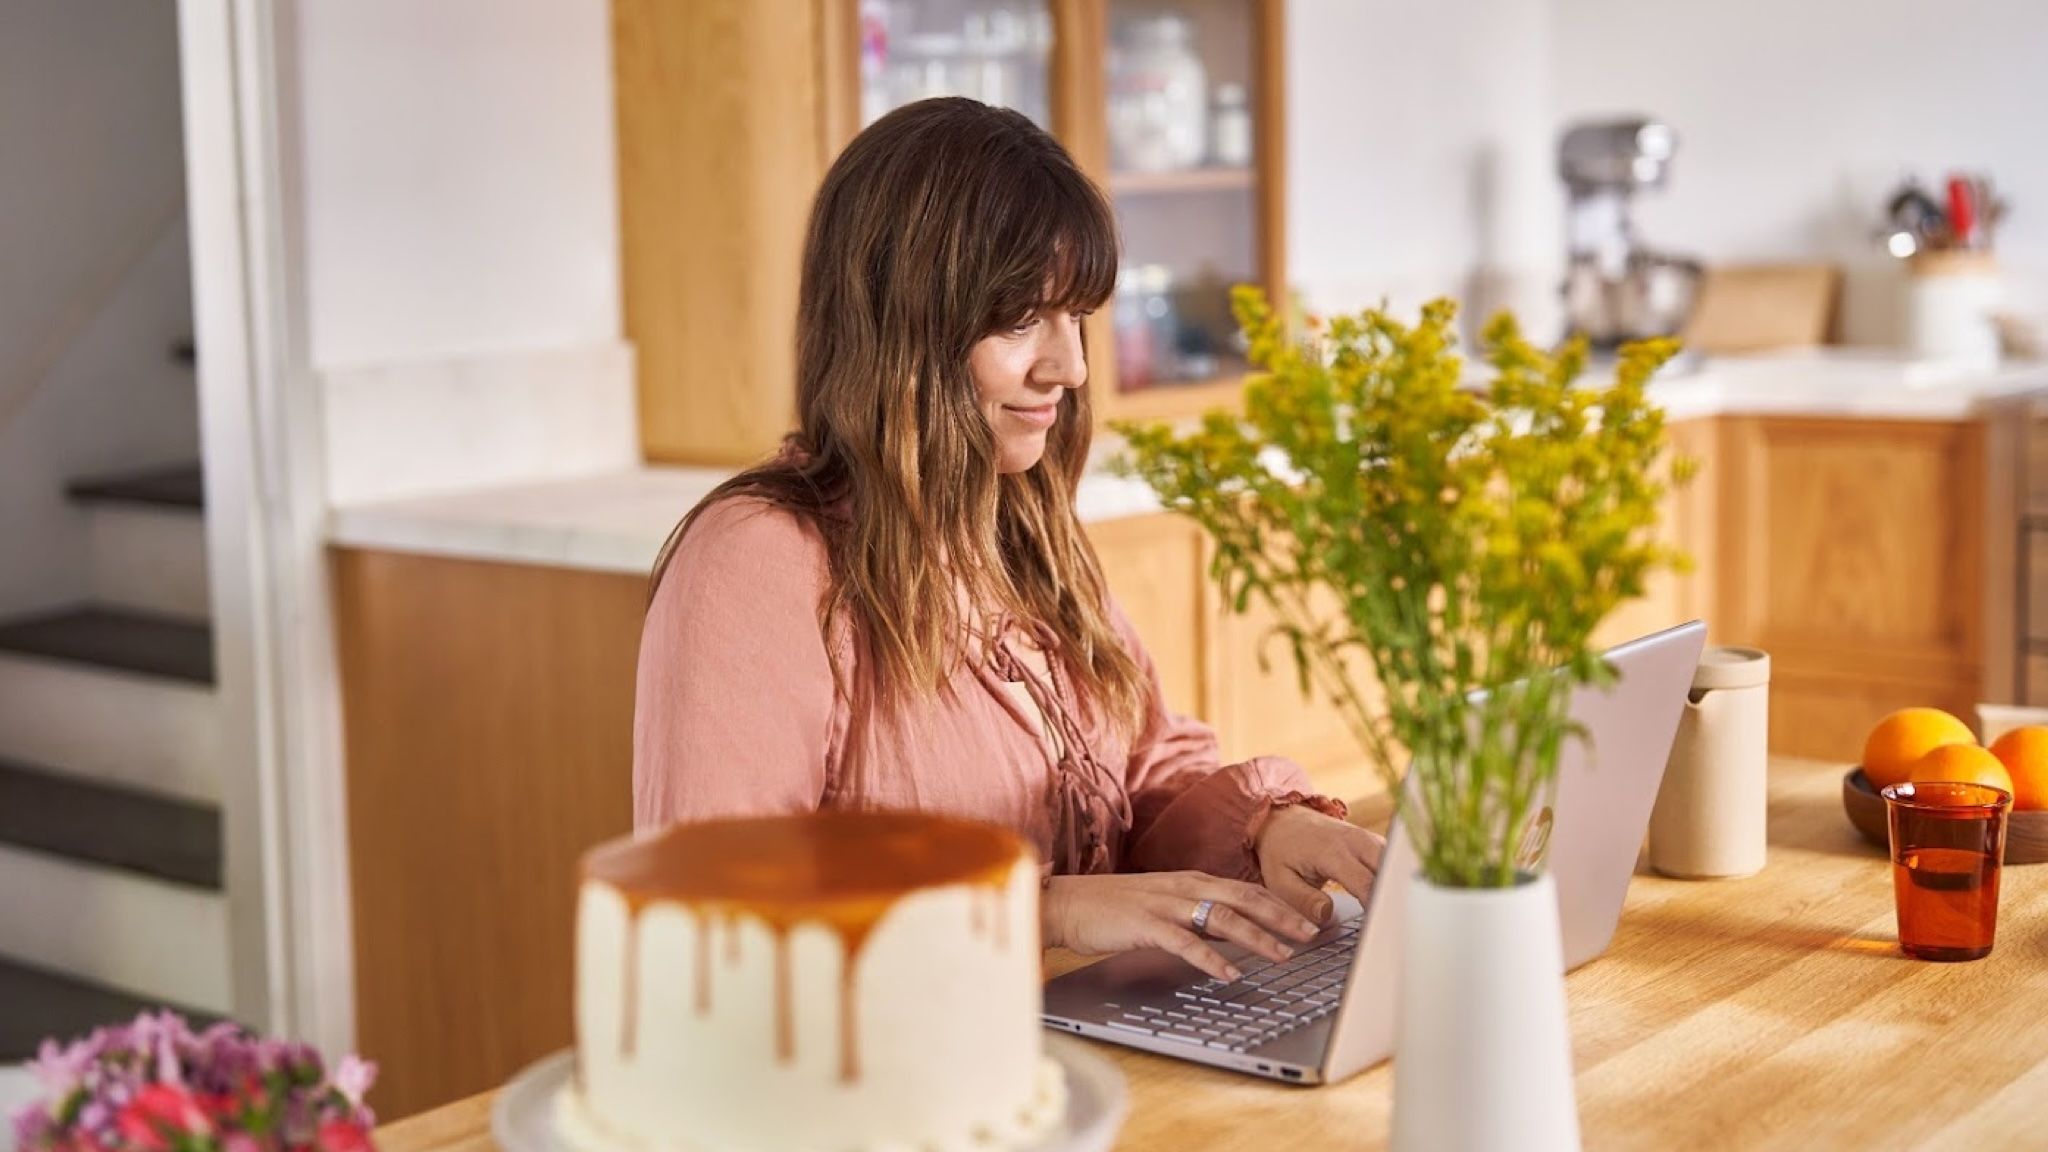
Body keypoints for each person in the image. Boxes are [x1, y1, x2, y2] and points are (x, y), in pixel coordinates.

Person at [634, 97, 1384, 982]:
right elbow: (717, 912)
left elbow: (1142, 776)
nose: (1067, 367)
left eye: (1077, 318)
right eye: (1021, 318)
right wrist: (1046, 908)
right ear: (898, 323)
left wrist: (1269, 827)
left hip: (1077, 1049)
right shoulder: (759, 562)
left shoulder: (1023, 526)